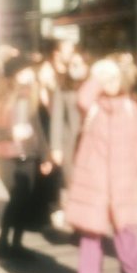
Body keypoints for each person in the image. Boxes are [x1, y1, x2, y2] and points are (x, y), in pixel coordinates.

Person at [66, 59, 137, 273]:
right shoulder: (93, 106)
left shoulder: (130, 107)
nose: (110, 83)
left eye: (113, 78)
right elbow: (82, 99)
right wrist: (96, 80)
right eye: (105, 79)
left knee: (126, 227)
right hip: (96, 175)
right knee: (92, 230)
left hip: (123, 176)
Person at [0, 54, 53, 260]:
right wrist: (10, 134)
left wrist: (45, 156)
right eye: (27, 70)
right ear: (16, 73)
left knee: (24, 199)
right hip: (4, 155)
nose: (31, 74)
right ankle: (3, 241)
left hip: (28, 154)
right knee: (17, 197)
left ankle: (17, 243)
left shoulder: (31, 94)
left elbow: (36, 127)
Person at [45, 41, 87, 231]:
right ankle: (78, 224)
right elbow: (57, 119)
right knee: (73, 184)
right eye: (73, 64)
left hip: (93, 144)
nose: (76, 68)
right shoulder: (62, 86)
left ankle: (89, 223)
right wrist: (56, 147)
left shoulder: (94, 86)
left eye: (79, 64)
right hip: (70, 144)